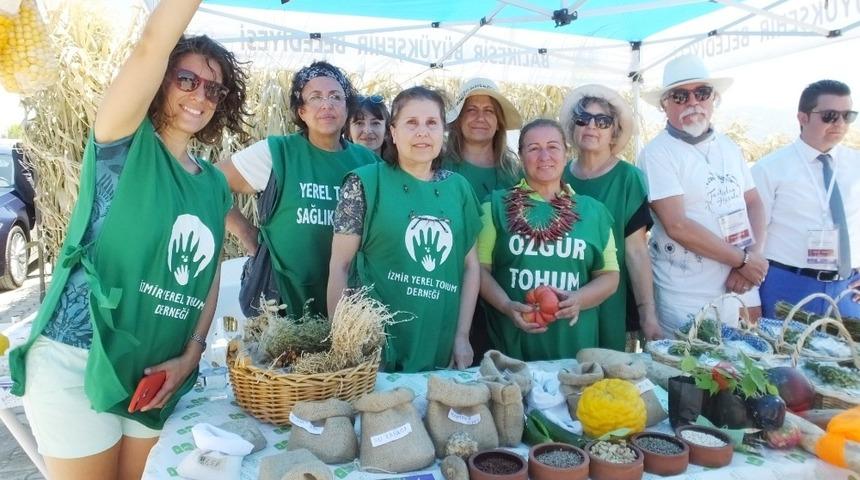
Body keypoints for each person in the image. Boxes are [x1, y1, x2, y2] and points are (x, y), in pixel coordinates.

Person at [9, 1, 249, 478]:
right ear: (160, 79)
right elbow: (151, 44)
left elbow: (207, 279)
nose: (200, 95)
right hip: (77, 358)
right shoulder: (122, 140)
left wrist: (191, 355)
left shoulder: (213, 184)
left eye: (213, 88)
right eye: (186, 79)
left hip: (156, 371)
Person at [327, 86, 482, 372]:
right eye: (411, 123)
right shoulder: (363, 184)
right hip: (375, 346)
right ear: (393, 133)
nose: (422, 132)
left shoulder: (459, 189)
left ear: (443, 133)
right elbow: (340, 265)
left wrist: (461, 336)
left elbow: (471, 266)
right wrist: (344, 342)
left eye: (431, 123)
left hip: (440, 341)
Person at [219, 61, 377, 318]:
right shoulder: (277, 153)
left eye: (336, 96)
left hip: (346, 309)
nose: (327, 104)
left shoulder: (368, 162)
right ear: (301, 110)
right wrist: (246, 233)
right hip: (279, 304)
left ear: (347, 108)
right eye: (315, 97)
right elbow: (210, 183)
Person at [638, 54, 767, 332]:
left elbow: (754, 202)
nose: (693, 102)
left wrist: (752, 259)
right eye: (680, 96)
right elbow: (678, 225)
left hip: (737, 288)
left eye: (702, 92)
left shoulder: (729, 146)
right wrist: (743, 260)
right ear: (665, 104)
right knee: (684, 373)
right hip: (685, 296)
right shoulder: (657, 153)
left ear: (713, 98)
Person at [478, 118, 619, 361]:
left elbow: (609, 276)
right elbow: (478, 271)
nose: (545, 156)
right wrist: (505, 306)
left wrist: (579, 299)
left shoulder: (593, 211)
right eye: (533, 148)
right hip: (511, 348)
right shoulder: (495, 206)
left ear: (566, 153)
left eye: (553, 147)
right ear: (521, 156)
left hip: (574, 347)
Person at [560, 84, 662, 351]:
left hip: (614, 303)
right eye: (583, 119)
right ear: (573, 127)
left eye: (602, 121)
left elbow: (637, 252)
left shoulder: (628, 178)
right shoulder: (558, 176)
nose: (591, 126)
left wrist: (647, 314)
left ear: (614, 131)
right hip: (565, 300)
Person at [752, 80, 860, 317]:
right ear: (802, 118)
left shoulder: (856, 164)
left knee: (849, 354)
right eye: (830, 115)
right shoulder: (770, 169)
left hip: (849, 290)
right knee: (787, 354)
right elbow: (754, 240)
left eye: (847, 115)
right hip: (788, 285)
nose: (840, 123)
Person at [443, 77, 522, 200]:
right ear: (459, 120)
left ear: (498, 123)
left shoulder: (515, 173)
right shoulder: (438, 167)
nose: (480, 118)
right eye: (471, 110)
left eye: (489, 110)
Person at [345, 93, 390, 158]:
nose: (367, 131)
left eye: (375, 123)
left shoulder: (400, 166)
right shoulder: (338, 167)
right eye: (359, 123)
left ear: (387, 131)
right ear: (348, 131)